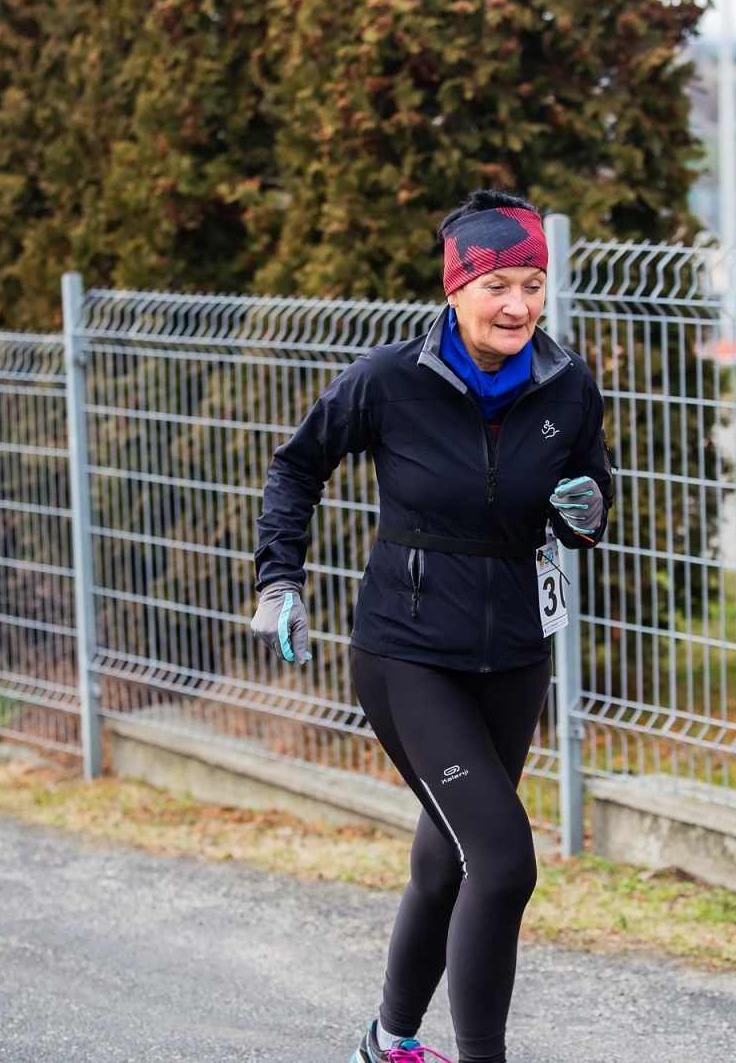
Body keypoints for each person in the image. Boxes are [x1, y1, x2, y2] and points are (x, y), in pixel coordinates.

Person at [252, 189, 612, 1063]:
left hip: (516, 653)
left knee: (448, 858)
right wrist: (280, 580)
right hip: (407, 655)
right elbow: (297, 469)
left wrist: (586, 511)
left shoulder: (568, 384)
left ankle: (389, 1042)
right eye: (498, 286)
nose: (519, 306)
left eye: (533, 284)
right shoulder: (389, 380)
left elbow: (590, 498)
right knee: (503, 859)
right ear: (455, 289)